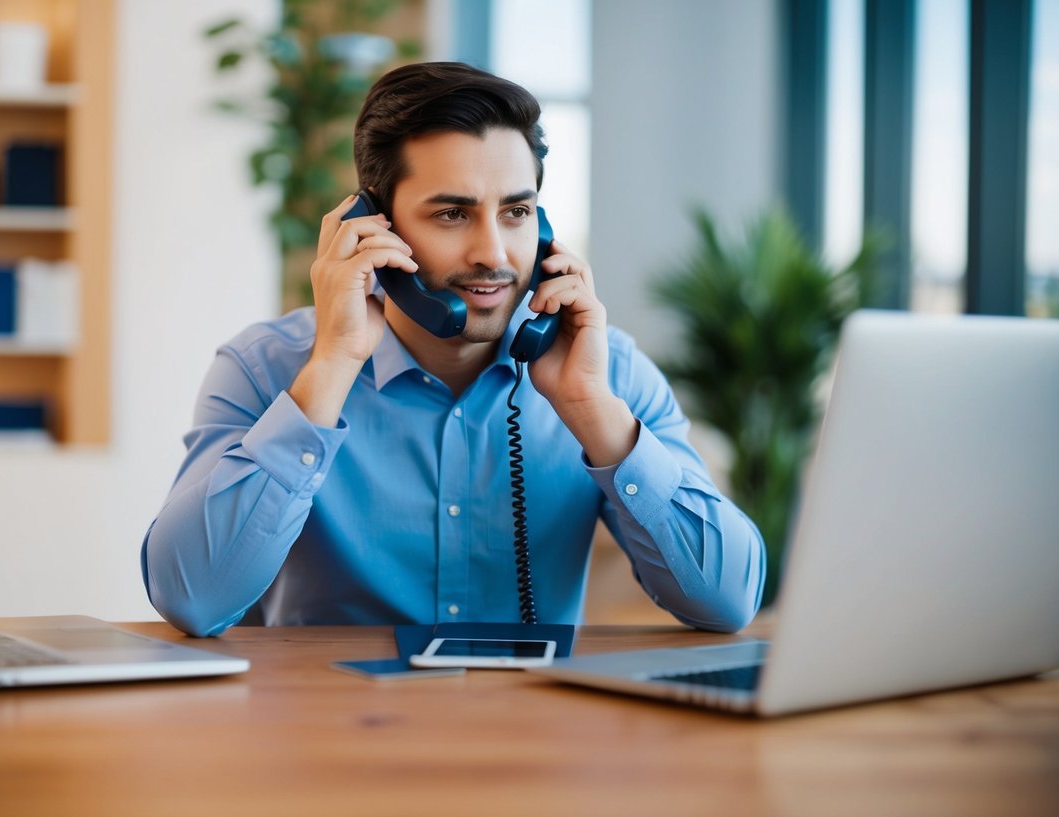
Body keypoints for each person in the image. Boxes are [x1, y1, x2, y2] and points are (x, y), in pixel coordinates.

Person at [141, 62, 765, 636]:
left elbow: (729, 600)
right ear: (373, 225)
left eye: (516, 211)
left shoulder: (608, 372)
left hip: (536, 739)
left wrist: (592, 410)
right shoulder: (264, 368)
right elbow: (193, 597)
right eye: (451, 215)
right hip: (329, 736)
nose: (494, 253)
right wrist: (330, 368)